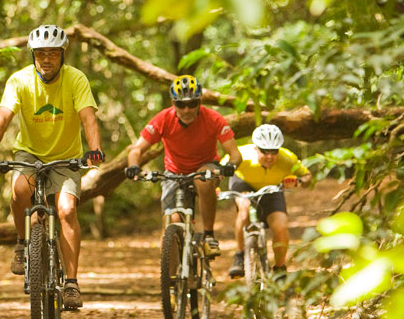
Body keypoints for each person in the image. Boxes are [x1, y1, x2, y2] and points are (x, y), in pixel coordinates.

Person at [0, 24, 104, 310]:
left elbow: (88, 118)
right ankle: (22, 244)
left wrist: (94, 150)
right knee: (20, 189)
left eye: (53, 54)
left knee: (67, 209)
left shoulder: (76, 79)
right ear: (33, 55)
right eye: (41, 53)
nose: (46, 59)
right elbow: (2, 118)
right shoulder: (19, 80)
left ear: (62, 55)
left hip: (66, 155)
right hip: (30, 153)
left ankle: (71, 283)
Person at [125, 75, 241, 256]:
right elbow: (136, 149)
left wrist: (230, 165)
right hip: (174, 172)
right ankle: (171, 281)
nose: (186, 109)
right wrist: (134, 166)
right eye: (181, 105)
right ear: (173, 103)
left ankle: (209, 236)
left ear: (200, 102)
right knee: (171, 224)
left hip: (205, 167)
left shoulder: (213, 119)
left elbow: (235, 154)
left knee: (202, 179)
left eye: (192, 104)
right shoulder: (163, 119)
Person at [227, 123, 312, 278]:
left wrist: (298, 181)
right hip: (243, 182)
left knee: (280, 225)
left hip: (272, 188)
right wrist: (214, 187)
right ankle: (239, 256)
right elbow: (219, 171)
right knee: (244, 208)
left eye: (274, 152)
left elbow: (307, 177)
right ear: (256, 148)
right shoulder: (242, 156)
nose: (270, 156)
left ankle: (280, 268)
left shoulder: (287, 159)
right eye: (265, 151)